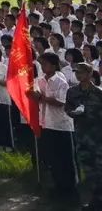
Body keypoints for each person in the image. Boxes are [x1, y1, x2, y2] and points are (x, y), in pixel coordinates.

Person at [32, 51, 77, 198]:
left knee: (65, 157)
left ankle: (69, 187)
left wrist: (42, 98)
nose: (43, 67)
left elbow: (61, 102)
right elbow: (36, 96)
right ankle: (57, 185)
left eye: (45, 64)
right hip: (46, 122)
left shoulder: (60, 81)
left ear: (53, 65)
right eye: (41, 64)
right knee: (52, 157)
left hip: (60, 124)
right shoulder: (40, 80)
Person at [67, 61, 102, 210]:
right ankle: (92, 201)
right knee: (87, 171)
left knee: (99, 170)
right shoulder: (72, 92)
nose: (78, 75)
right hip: (81, 137)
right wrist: (73, 112)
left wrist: (91, 114)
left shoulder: (98, 93)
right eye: (76, 72)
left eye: (81, 72)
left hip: (98, 138)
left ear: (89, 74)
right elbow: (67, 107)